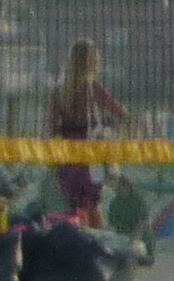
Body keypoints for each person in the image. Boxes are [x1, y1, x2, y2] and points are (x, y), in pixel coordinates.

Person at [43, 39, 131, 226]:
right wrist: (112, 126)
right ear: (90, 62)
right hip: (90, 152)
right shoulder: (92, 89)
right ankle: (96, 239)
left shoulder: (58, 92)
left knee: (76, 206)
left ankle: (81, 237)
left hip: (68, 155)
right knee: (93, 205)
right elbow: (121, 112)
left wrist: (53, 162)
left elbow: (51, 130)